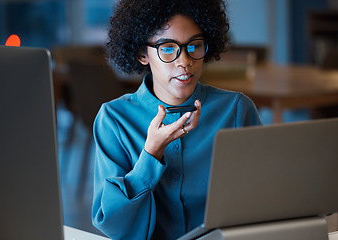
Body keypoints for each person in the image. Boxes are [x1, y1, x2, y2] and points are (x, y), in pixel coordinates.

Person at [92, 0, 262, 239]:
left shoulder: (235, 110)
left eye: (194, 46)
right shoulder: (114, 120)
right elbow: (114, 226)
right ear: (143, 53)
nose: (185, 61)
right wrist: (150, 155)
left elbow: (262, 199)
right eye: (168, 48)